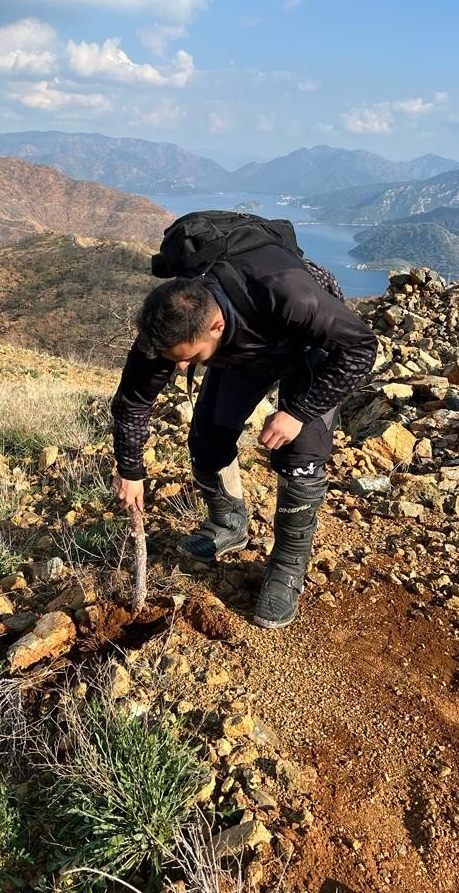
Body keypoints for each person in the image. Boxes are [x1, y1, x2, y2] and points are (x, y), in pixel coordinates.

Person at [111, 240, 378, 629]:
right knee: (208, 437)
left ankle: (287, 568)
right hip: (244, 350)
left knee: (299, 458)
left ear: (215, 324)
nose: (182, 366)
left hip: (311, 349)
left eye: (190, 357)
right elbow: (133, 401)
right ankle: (228, 525)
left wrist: (297, 412)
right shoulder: (166, 330)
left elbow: (360, 348)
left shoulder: (292, 297)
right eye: (175, 359)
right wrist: (131, 468)